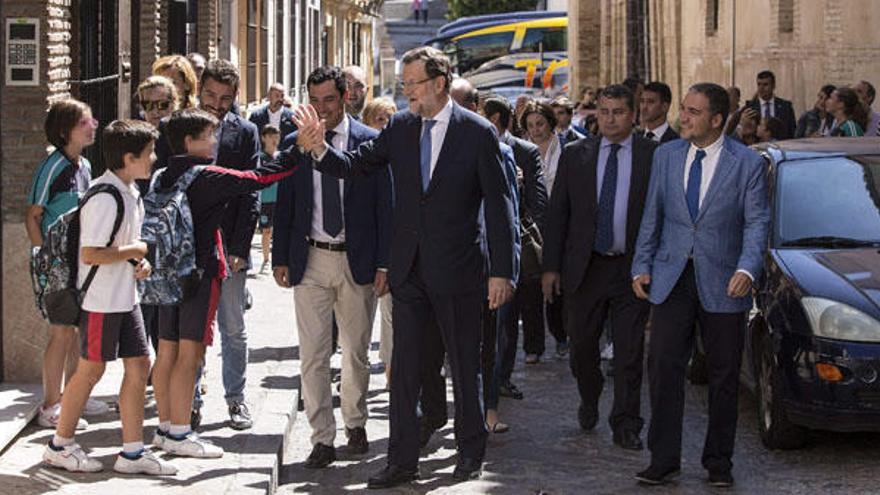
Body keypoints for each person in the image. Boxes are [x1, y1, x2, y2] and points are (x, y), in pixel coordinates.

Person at [292, 46, 516, 488]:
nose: (406, 90)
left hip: (460, 271)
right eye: (405, 83)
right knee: (404, 371)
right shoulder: (400, 127)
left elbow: (499, 205)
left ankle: (470, 453)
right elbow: (357, 165)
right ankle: (401, 460)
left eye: (413, 83)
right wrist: (318, 150)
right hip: (408, 272)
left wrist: (502, 271)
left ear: (439, 83)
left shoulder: (476, 133)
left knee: (463, 367)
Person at [631, 82, 770, 487]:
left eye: (693, 112)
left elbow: (757, 221)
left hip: (726, 281)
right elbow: (651, 216)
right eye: (684, 109)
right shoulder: (667, 156)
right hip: (672, 277)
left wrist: (747, 270)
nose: (683, 117)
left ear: (717, 119)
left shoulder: (746, 163)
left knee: (725, 375)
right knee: (662, 368)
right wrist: (641, 264)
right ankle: (663, 459)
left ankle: (719, 462)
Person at [150, 108, 299, 458]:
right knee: (191, 353)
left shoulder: (161, 176)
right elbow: (259, 178)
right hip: (198, 276)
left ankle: (164, 426)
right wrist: (299, 151)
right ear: (190, 142)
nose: (215, 142)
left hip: (164, 276)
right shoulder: (207, 175)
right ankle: (181, 432)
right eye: (208, 136)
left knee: (167, 351)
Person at [272, 65, 392, 469]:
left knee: (356, 351)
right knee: (313, 354)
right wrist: (280, 258)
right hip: (310, 258)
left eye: (329, 100)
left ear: (346, 98)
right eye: (315, 100)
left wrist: (384, 264)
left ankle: (355, 423)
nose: (321, 109)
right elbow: (285, 201)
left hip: (356, 259)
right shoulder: (296, 143)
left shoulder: (370, 142)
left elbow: (383, 207)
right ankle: (321, 437)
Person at [42, 120, 177, 475]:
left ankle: (132, 453)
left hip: (125, 298)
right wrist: (133, 249)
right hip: (101, 301)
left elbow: (119, 246)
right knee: (90, 371)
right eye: (149, 154)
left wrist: (140, 260)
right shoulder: (104, 195)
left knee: (139, 366)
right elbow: (92, 253)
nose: (154, 159)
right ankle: (60, 445)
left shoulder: (130, 191)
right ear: (128, 157)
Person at [543, 84, 656, 451]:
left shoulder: (652, 155)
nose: (610, 119)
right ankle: (589, 397)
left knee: (628, 352)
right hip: (585, 268)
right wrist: (551, 268)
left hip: (630, 269)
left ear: (633, 115)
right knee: (583, 349)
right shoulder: (577, 155)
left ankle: (626, 422)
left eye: (618, 112)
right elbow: (558, 214)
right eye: (604, 112)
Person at [155, 59, 262, 430]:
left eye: (226, 98)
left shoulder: (245, 132)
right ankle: (192, 402)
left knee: (233, 327)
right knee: (189, 334)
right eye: (212, 95)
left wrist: (240, 249)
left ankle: (236, 399)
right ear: (200, 90)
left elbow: (250, 194)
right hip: (184, 252)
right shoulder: (177, 128)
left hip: (227, 247)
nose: (217, 103)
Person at [27, 99, 107, 429]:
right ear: (64, 131)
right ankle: (50, 405)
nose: (93, 126)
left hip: (80, 262)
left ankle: (75, 396)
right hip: (57, 264)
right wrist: (43, 257)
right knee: (61, 333)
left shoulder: (84, 166)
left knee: (76, 332)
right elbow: (33, 215)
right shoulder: (52, 167)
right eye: (84, 122)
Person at [484, 96, 548, 402]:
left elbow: (537, 200)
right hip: (476, 247)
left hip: (511, 243)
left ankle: (502, 377)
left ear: (494, 120)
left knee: (507, 320)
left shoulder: (523, 151)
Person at [521, 100, 568, 361]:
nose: (536, 129)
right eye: (530, 125)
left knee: (557, 285)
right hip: (533, 228)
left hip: (560, 227)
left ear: (550, 123)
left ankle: (561, 335)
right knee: (531, 287)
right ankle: (533, 346)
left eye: (540, 124)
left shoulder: (567, 149)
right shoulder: (521, 152)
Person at [362, 96, 398, 386]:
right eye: (380, 119)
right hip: (362, 250)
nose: (385, 125)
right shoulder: (363, 159)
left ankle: (392, 374)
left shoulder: (403, 155)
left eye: (390, 119)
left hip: (392, 250)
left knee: (391, 315)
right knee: (359, 323)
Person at [258, 124, 282, 273]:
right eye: (271, 136)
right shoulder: (259, 158)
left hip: (280, 199)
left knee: (279, 230)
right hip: (265, 200)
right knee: (266, 231)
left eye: (276, 136)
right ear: (263, 138)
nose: (274, 139)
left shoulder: (281, 157)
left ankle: (278, 258)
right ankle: (266, 259)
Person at [745, 70, 796, 139]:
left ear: (773, 86)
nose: (761, 88)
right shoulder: (750, 107)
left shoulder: (785, 106)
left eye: (765, 84)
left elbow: (792, 131)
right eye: (759, 84)